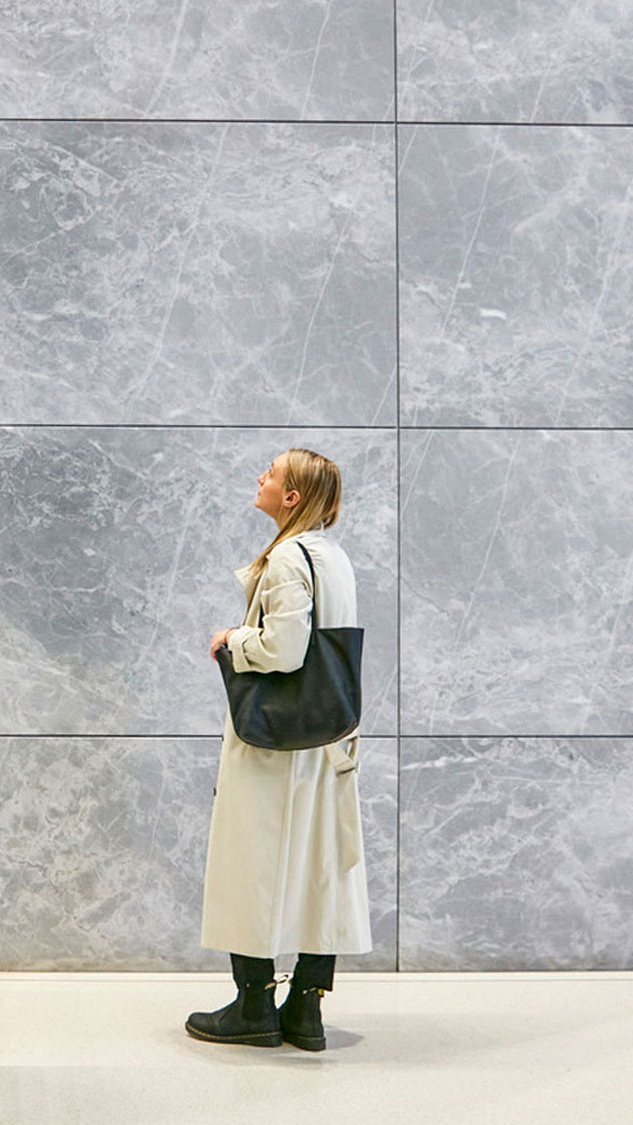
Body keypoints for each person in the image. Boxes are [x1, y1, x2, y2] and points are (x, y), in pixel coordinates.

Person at [185, 447, 370, 1052]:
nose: (259, 478)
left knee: (252, 862)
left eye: (271, 473)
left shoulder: (288, 558)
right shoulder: (333, 556)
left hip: (275, 742)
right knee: (324, 866)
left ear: (291, 498)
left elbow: (285, 650)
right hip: (327, 735)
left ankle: (254, 1004)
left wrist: (232, 641)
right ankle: (307, 1010)